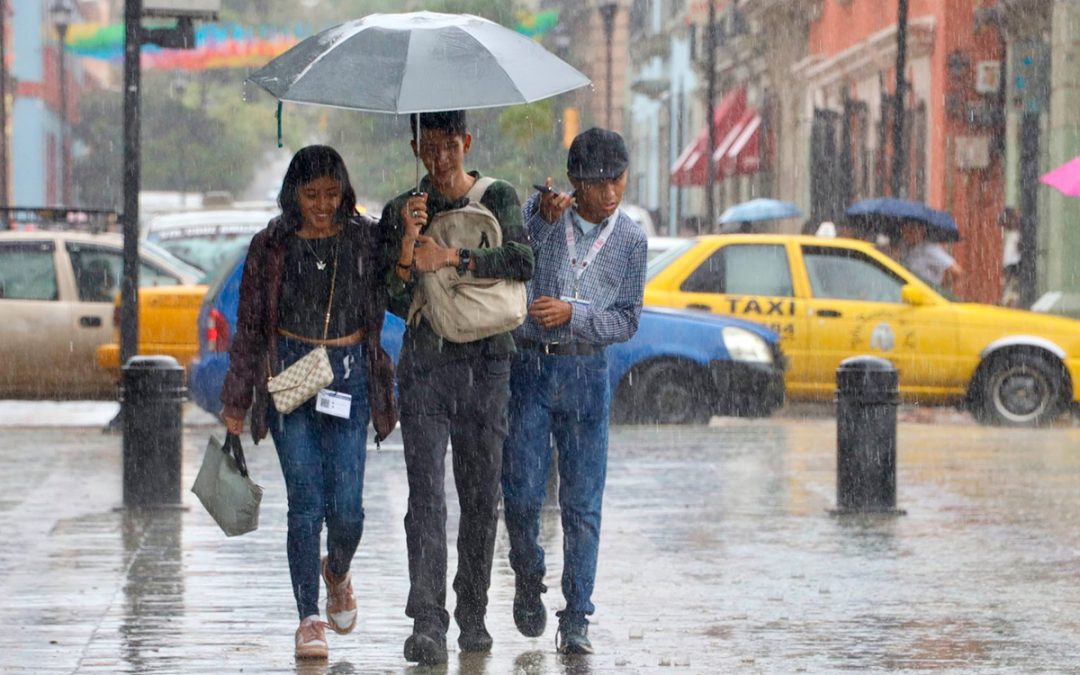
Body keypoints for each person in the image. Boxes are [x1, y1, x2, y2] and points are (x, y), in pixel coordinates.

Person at [220, 145, 387, 660]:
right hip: (289, 376)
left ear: (345, 192)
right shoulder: (271, 245)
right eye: (312, 195)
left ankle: (336, 571)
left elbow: (401, 283)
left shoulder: (365, 238)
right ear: (294, 193)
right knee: (306, 505)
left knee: (349, 511)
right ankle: (308, 618)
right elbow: (249, 328)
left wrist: (407, 239)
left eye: (332, 194)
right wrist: (236, 399)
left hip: (349, 376)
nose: (322, 204)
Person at [380, 110, 534, 665]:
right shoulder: (402, 209)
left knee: (479, 496)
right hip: (425, 366)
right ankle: (426, 620)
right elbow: (393, 303)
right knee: (425, 497)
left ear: (466, 142)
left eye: (450, 146)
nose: (440, 159)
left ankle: (473, 612)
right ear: (415, 147)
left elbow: (522, 260)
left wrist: (452, 256)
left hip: (489, 366)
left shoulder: (500, 197)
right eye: (428, 147)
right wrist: (407, 244)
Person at [501, 128, 648, 655]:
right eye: (597, 182)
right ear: (574, 182)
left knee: (583, 503)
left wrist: (575, 316)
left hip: (588, 374)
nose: (609, 192)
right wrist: (540, 222)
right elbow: (514, 266)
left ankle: (577, 615)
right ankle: (527, 570)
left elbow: (628, 319)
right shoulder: (540, 215)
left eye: (618, 179)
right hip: (530, 370)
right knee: (518, 493)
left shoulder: (630, 240)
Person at [899, 220, 962, 292]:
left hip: (925, 296)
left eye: (910, 231)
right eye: (904, 231)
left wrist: (939, 287)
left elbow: (956, 270)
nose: (905, 234)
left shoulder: (929, 249)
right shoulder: (907, 249)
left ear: (921, 232)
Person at [999, 207, 1022, 307]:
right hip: (1012, 273)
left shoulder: (1018, 236)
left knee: (1012, 297)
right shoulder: (1014, 235)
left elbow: (1013, 262)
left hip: (1014, 273)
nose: (1006, 226)